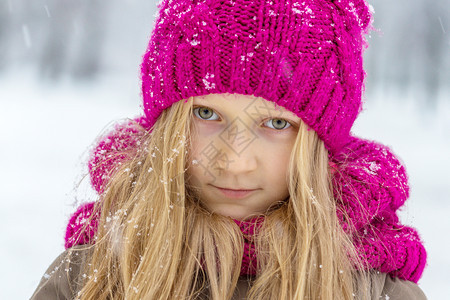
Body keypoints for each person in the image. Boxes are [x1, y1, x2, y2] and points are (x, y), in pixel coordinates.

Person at [31, 0, 427, 299]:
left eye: (276, 123)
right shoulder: (96, 271)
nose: (235, 161)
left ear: (319, 143)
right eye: (206, 114)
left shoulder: (372, 286)